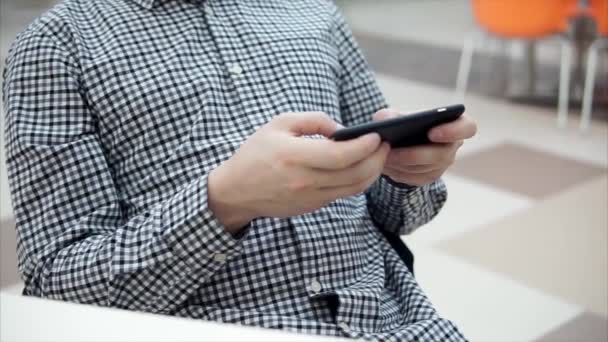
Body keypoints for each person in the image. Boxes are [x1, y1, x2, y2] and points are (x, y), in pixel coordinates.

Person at [3, 0, 476, 340]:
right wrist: (223, 202)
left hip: (400, 323)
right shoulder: (54, 46)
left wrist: (410, 173)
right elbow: (56, 291)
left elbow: (398, 216)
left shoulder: (315, 12)